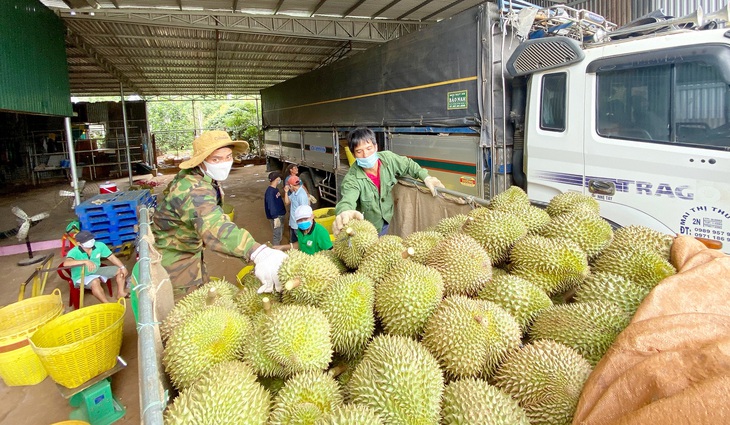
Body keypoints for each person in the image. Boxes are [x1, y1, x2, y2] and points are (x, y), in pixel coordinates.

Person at [152, 130, 287, 299]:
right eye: (216, 159)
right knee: (186, 309)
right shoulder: (193, 189)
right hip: (175, 257)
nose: (224, 163)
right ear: (201, 161)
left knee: (203, 294)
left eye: (228, 157)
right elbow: (214, 226)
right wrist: (256, 251)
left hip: (190, 249)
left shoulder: (202, 178)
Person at [334, 127, 445, 236]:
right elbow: (348, 199)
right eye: (359, 151)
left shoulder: (388, 159)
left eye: (369, 148)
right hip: (366, 230)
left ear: (376, 146)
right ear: (353, 154)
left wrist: (426, 177)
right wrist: (345, 212)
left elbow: (408, 165)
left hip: (387, 218)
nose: (366, 155)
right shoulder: (352, 178)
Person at [63, 230, 129, 303]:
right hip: (80, 275)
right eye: (87, 241)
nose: (91, 241)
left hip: (96, 270)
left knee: (120, 270)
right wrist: (85, 261)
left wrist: (123, 267)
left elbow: (112, 257)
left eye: (91, 239)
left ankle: (121, 293)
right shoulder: (74, 252)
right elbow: (66, 263)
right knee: (95, 282)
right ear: (79, 243)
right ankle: (106, 304)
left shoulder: (100, 246)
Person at [283, 175, 310, 244]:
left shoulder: (301, 195)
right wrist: (286, 192)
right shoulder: (295, 192)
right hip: (293, 224)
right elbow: (287, 202)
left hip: (298, 225)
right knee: (293, 242)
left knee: (300, 243)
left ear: (291, 185)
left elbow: (304, 211)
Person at [264, 171, 287, 245]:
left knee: (279, 233)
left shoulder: (275, 189)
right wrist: (275, 217)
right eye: (279, 178)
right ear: (276, 179)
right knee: (277, 235)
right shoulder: (270, 192)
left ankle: (278, 247)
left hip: (280, 214)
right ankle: (276, 250)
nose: (280, 180)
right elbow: (271, 205)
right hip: (276, 216)